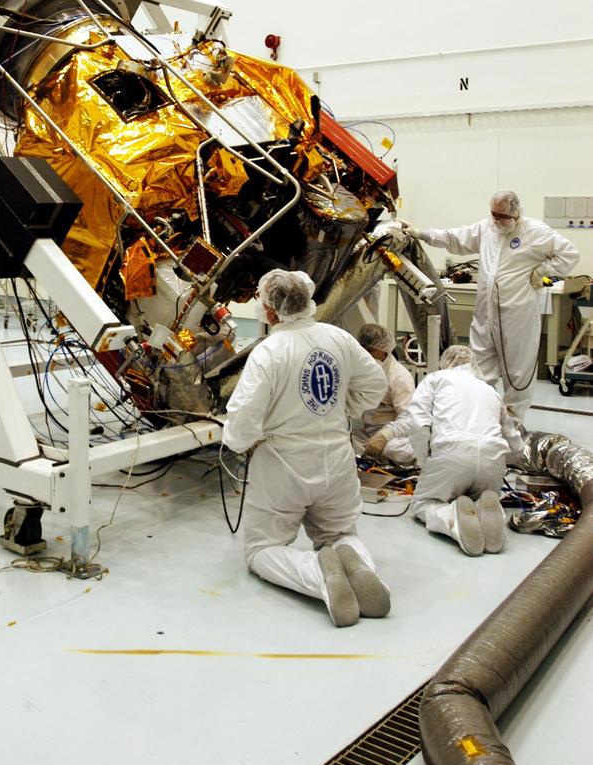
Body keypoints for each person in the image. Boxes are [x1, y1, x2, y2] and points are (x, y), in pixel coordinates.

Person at [223, 269, 390, 628]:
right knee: (342, 533)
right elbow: (376, 383)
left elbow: (241, 422)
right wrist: (345, 408)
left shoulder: (268, 353)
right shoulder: (338, 338)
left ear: (270, 311)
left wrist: (241, 442)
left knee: (262, 549)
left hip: (286, 466)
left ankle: (319, 576)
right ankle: (356, 563)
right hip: (338, 461)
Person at [404, 191, 579, 418]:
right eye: (494, 215)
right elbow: (454, 238)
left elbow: (569, 254)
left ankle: (514, 420)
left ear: (515, 213)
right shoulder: (487, 228)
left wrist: (542, 271)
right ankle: (481, 416)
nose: (497, 220)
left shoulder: (535, 232)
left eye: (502, 216)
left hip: (518, 315)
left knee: (517, 370)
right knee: (479, 368)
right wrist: (422, 234)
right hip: (485, 313)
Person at [365, 345, 523, 556]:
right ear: (473, 365)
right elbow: (514, 442)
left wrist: (424, 459)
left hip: (451, 453)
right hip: (492, 461)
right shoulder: (490, 390)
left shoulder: (435, 379)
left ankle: (452, 518)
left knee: (423, 504)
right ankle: (485, 512)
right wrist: (507, 460)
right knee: (478, 494)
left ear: (446, 362)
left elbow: (417, 421)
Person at [351, 323, 416, 467]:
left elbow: (409, 418)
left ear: (384, 350)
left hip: (395, 435)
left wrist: (385, 436)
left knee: (393, 450)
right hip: (367, 431)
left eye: (371, 351)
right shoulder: (359, 369)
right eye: (362, 350)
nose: (365, 355)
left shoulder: (399, 376)